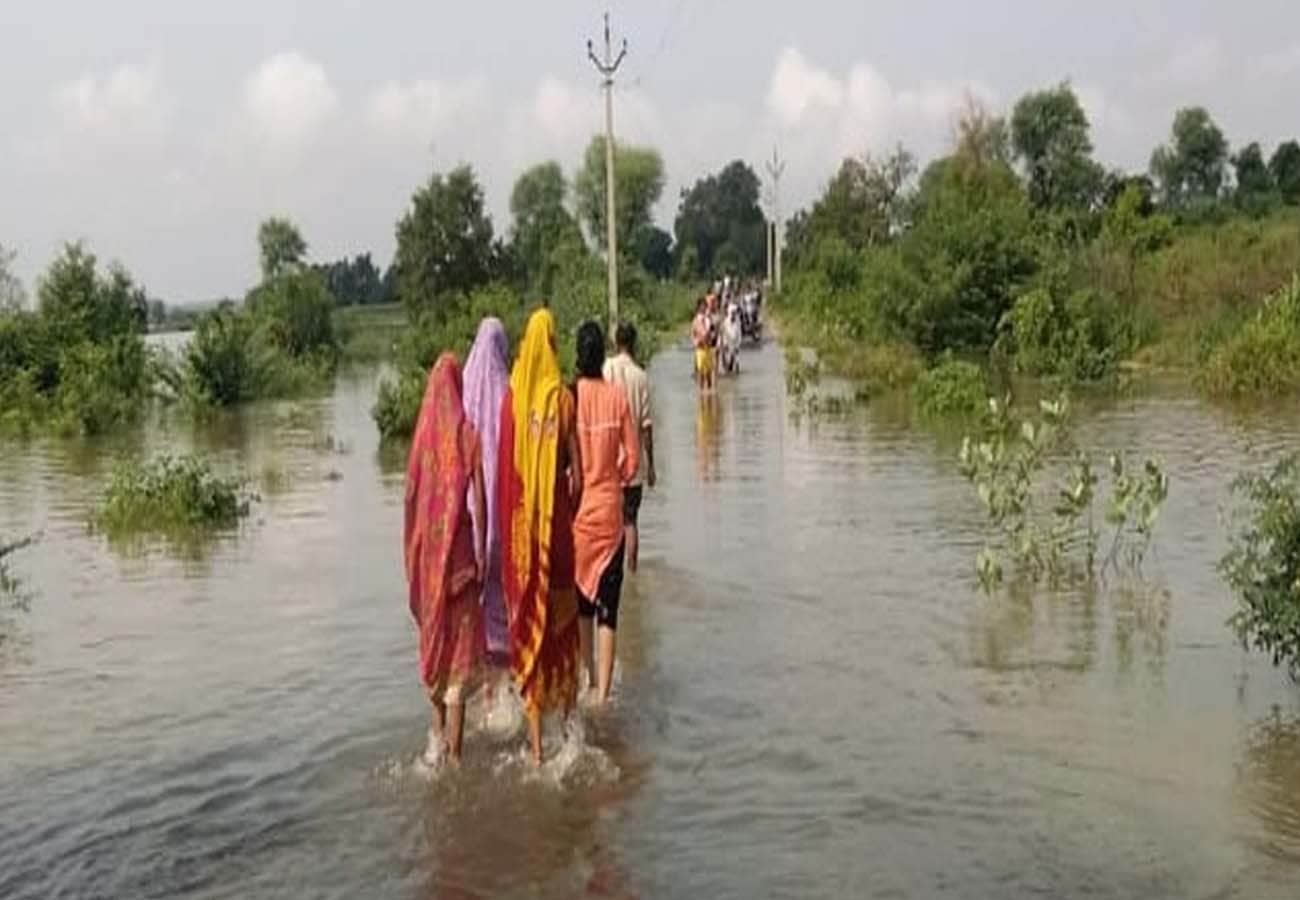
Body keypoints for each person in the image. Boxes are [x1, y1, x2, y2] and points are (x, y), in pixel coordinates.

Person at [498, 308, 583, 766]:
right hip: (560, 543)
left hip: (528, 543)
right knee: (565, 631)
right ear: (550, 343)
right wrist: (564, 505)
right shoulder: (565, 399)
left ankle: (534, 750)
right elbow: (581, 474)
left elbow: (509, 479)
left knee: (533, 628)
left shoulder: (513, 402)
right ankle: (570, 734)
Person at [404, 353, 486, 767]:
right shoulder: (467, 436)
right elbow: (481, 502)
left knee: (437, 663)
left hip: (430, 565)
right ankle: (455, 757)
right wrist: (484, 550)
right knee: (458, 671)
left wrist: (416, 559)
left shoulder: (420, 445)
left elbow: (410, 502)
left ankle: (435, 752)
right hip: (463, 565)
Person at [573, 321, 639, 705]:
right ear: (603, 354)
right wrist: (615, 476)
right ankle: (603, 694)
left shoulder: (571, 398)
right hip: (611, 516)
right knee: (608, 610)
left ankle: (585, 681)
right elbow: (632, 461)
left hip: (579, 518)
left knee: (583, 604)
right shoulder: (616, 399)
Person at [461, 318, 511, 704]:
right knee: (505, 602)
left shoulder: (463, 393)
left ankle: (488, 700)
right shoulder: (509, 393)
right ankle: (509, 693)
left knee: (478, 608)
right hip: (505, 518)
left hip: (473, 520)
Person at [603, 322, 656, 573]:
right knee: (631, 521)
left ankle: (614, 572)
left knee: (611, 523)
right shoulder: (641, 376)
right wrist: (651, 464)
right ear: (634, 343)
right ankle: (632, 571)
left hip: (609, 461)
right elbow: (646, 425)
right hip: (634, 465)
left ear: (616, 342)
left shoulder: (605, 369)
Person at [691, 299, 715, 394]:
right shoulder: (696, 320)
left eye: (705, 306)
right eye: (702, 306)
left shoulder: (708, 319)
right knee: (701, 371)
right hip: (700, 349)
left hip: (708, 348)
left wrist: (712, 337)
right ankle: (701, 392)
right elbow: (693, 334)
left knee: (709, 372)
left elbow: (713, 330)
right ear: (698, 307)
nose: (703, 308)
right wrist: (696, 342)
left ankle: (709, 391)